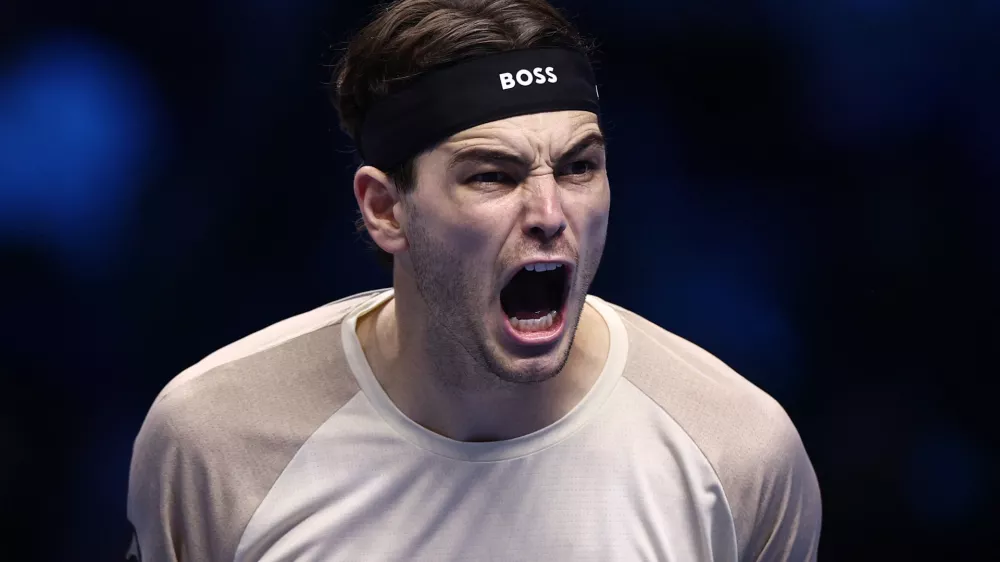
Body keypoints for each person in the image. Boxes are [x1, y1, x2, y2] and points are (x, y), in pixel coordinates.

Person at [126, 0, 822, 560]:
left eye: (579, 167)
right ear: (385, 209)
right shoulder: (214, 438)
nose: (550, 214)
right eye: (492, 175)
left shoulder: (736, 450)